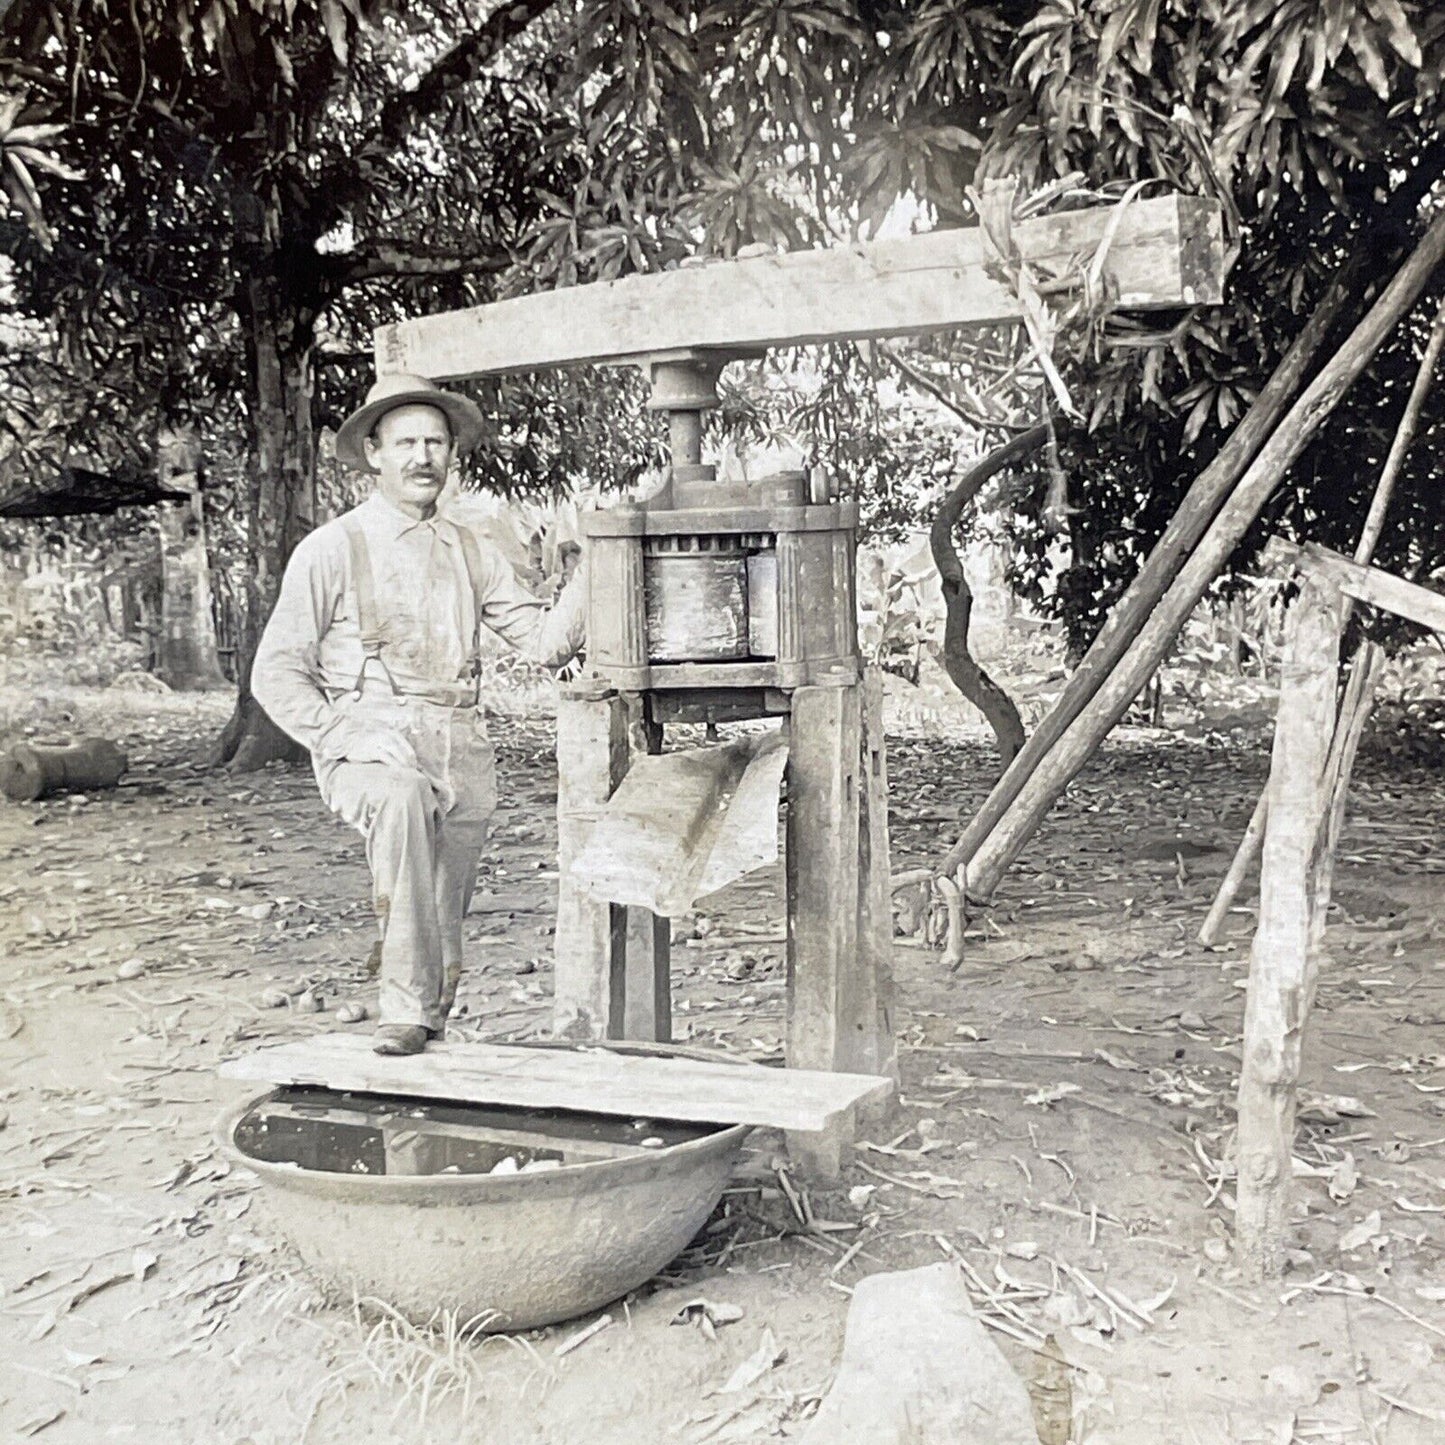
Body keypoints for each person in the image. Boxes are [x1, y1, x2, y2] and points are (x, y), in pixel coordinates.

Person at [252, 373, 586, 1056]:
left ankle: (427, 1024)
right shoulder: (332, 548)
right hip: (370, 741)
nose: (422, 457)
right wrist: (347, 733)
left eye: (435, 441)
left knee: (443, 907)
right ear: (373, 453)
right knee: (401, 803)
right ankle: (401, 1011)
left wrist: (602, 560)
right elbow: (274, 673)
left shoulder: (470, 549)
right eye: (405, 442)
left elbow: (547, 643)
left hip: (460, 740)